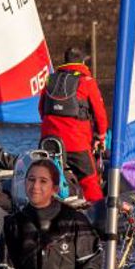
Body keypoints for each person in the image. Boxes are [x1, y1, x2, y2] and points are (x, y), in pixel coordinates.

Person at [0, 159, 104, 269]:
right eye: (31, 180)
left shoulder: (74, 220)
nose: (35, 186)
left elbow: (93, 264)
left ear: (55, 188)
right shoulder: (14, 224)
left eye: (43, 181)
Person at [39, 45, 108, 204]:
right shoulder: (87, 82)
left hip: (49, 141)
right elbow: (100, 114)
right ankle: (97, 215)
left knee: (46, 177)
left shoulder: (50, 79)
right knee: (90, 180)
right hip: (77, 143)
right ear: (82, 62)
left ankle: (43, 208)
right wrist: (101, 136)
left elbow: (41, 110)